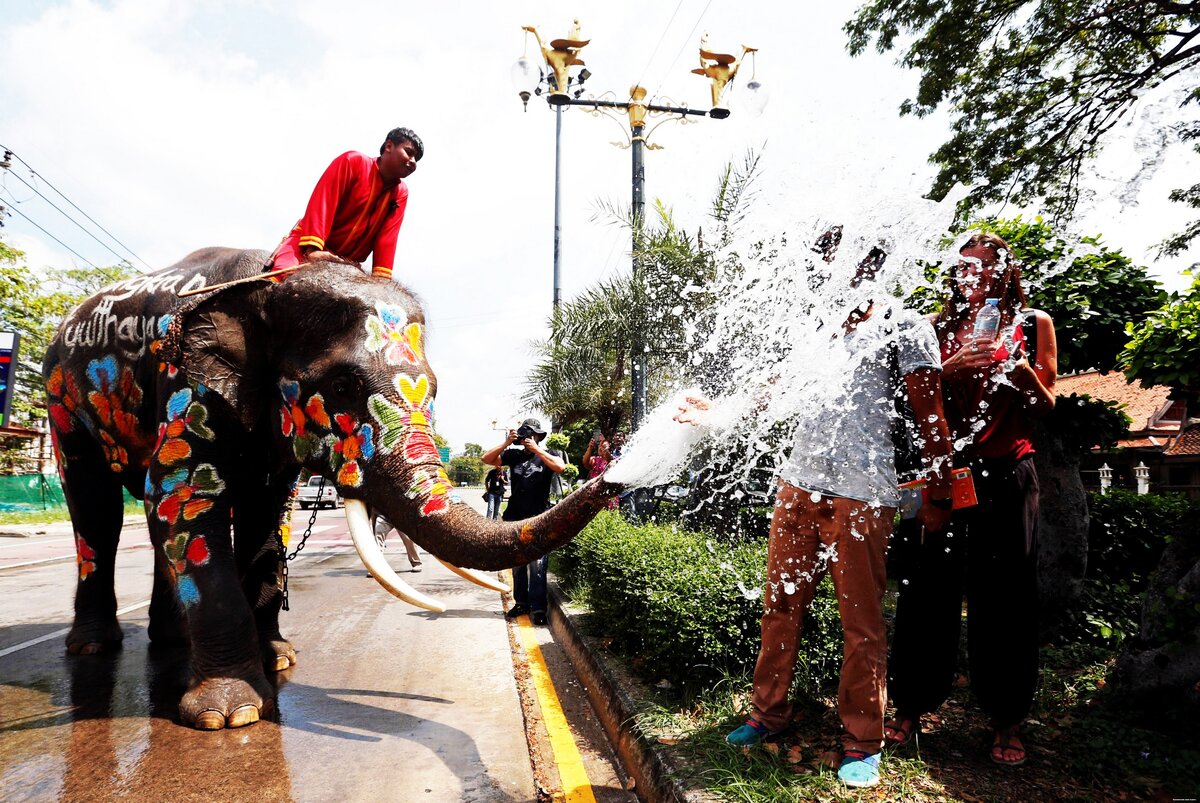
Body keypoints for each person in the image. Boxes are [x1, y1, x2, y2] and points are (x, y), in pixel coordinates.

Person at [674, 248, 955, 789]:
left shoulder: (905, 323)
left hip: (862, 496)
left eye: (846, 258)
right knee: (779, 607)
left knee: (862, 623)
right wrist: (719, 412)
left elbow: (930, 412)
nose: (833, 270)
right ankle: (768, 712)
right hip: (797, 488)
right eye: (826, 261)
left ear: (873, 260)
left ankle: (862, 739)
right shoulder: (817, 330)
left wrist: (940, 491)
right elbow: (775, 391)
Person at [886, 232, 1057, 767]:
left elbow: (1046, 405)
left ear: (1006, 272)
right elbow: (911, 406)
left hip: (1009, 474)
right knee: (925, 591)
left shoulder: (1034, 325)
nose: (974, 275)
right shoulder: (934, 329)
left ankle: (1006, 717)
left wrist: (1017, 366)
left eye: (986, 266)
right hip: (947, 477)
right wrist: (949, 369)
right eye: (964, 266)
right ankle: (910, 706)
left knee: (1006, 596)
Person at [267, 127, 424, 280]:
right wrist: (312, 250)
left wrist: (381, 282)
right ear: (389, 146)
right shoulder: (353, 161)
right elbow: (323, 203)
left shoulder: (401, 193)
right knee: (284, 277)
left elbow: (387, 238)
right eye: (409, 153)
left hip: (347, 264)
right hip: (306, 246)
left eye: (416, 159)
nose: (413, 162)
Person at [481, 418, 565, 626]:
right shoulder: (514, 455)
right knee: (518, 563)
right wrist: (506, 443)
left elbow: (560, 468)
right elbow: (486, 458)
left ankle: (538, 608)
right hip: (514, 517)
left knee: (537, 565)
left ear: (538, 436)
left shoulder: (549, 455)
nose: (528, 438)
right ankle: (521, 604)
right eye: (525, 435)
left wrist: (537, 450)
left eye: (532, 435)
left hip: (539, 518)